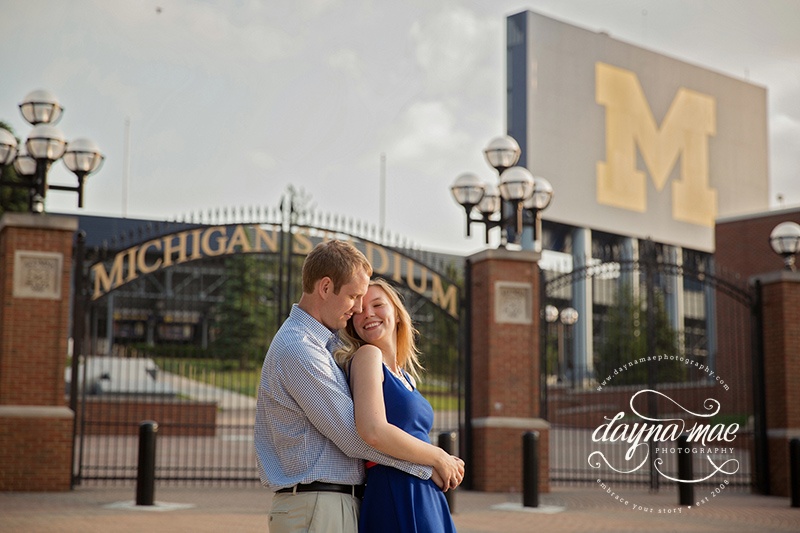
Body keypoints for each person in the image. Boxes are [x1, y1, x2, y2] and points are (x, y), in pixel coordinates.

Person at [254, 240, 464, 533]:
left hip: (329, 504)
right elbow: (358, 437)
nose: (357, 310)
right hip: (317, 506)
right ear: (326, 288)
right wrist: (434, 462)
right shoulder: (299, 348)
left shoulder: (321, 345)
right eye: (354, 297)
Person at [335, 277, 459, 532]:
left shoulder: (405, 376)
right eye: (359, 310)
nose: (368, 313)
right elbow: (374, 431)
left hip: (425, 491)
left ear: (397, 313)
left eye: (378, 305)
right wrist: (439, 457)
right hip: (395, 489)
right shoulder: (367, 356)